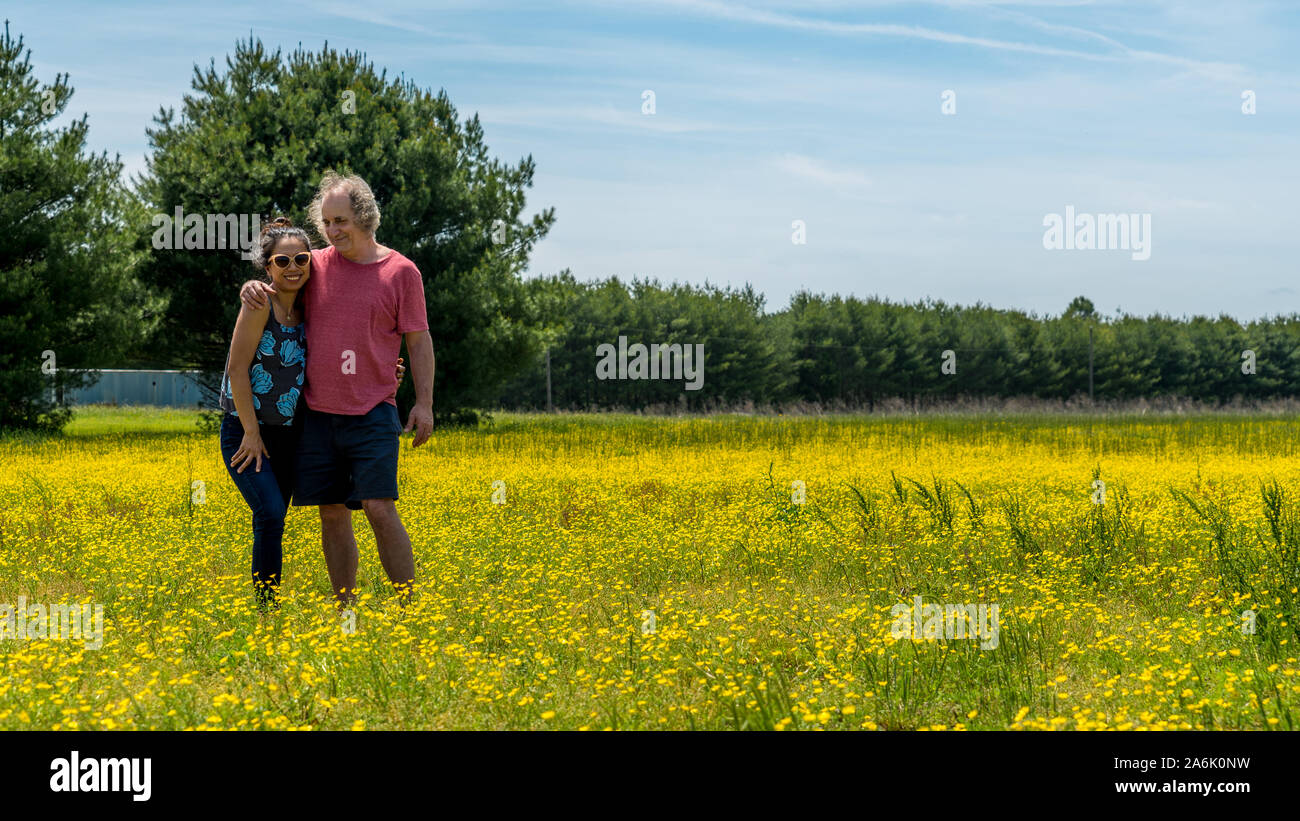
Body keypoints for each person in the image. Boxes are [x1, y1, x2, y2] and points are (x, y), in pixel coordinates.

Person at [240, 172, 435, 608]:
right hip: (317, 415)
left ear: (365, 216)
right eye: (326, 222)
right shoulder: (315, 266)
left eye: (341, 220)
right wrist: (251, 285)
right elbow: (277, 289)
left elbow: (418, 340)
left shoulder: (402, 272)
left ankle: (410, 607)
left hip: (373, 412)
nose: (332, 231)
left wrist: (424, 403)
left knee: (379, 507)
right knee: (331, 513)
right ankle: (344, 607)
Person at [220, 216, 405, 610]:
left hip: (290, 435)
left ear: (311, 262)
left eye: (301, 260)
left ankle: (335, 605)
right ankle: (267, 608)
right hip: (246, 433)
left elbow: (343, 350)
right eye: (281, 262)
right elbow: (237, 370)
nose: (293, 268)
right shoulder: (259, 305)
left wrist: (386, 370)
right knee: (270, 513)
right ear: (266, 267)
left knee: (278, 519)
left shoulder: (310, 308)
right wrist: (251, 434)